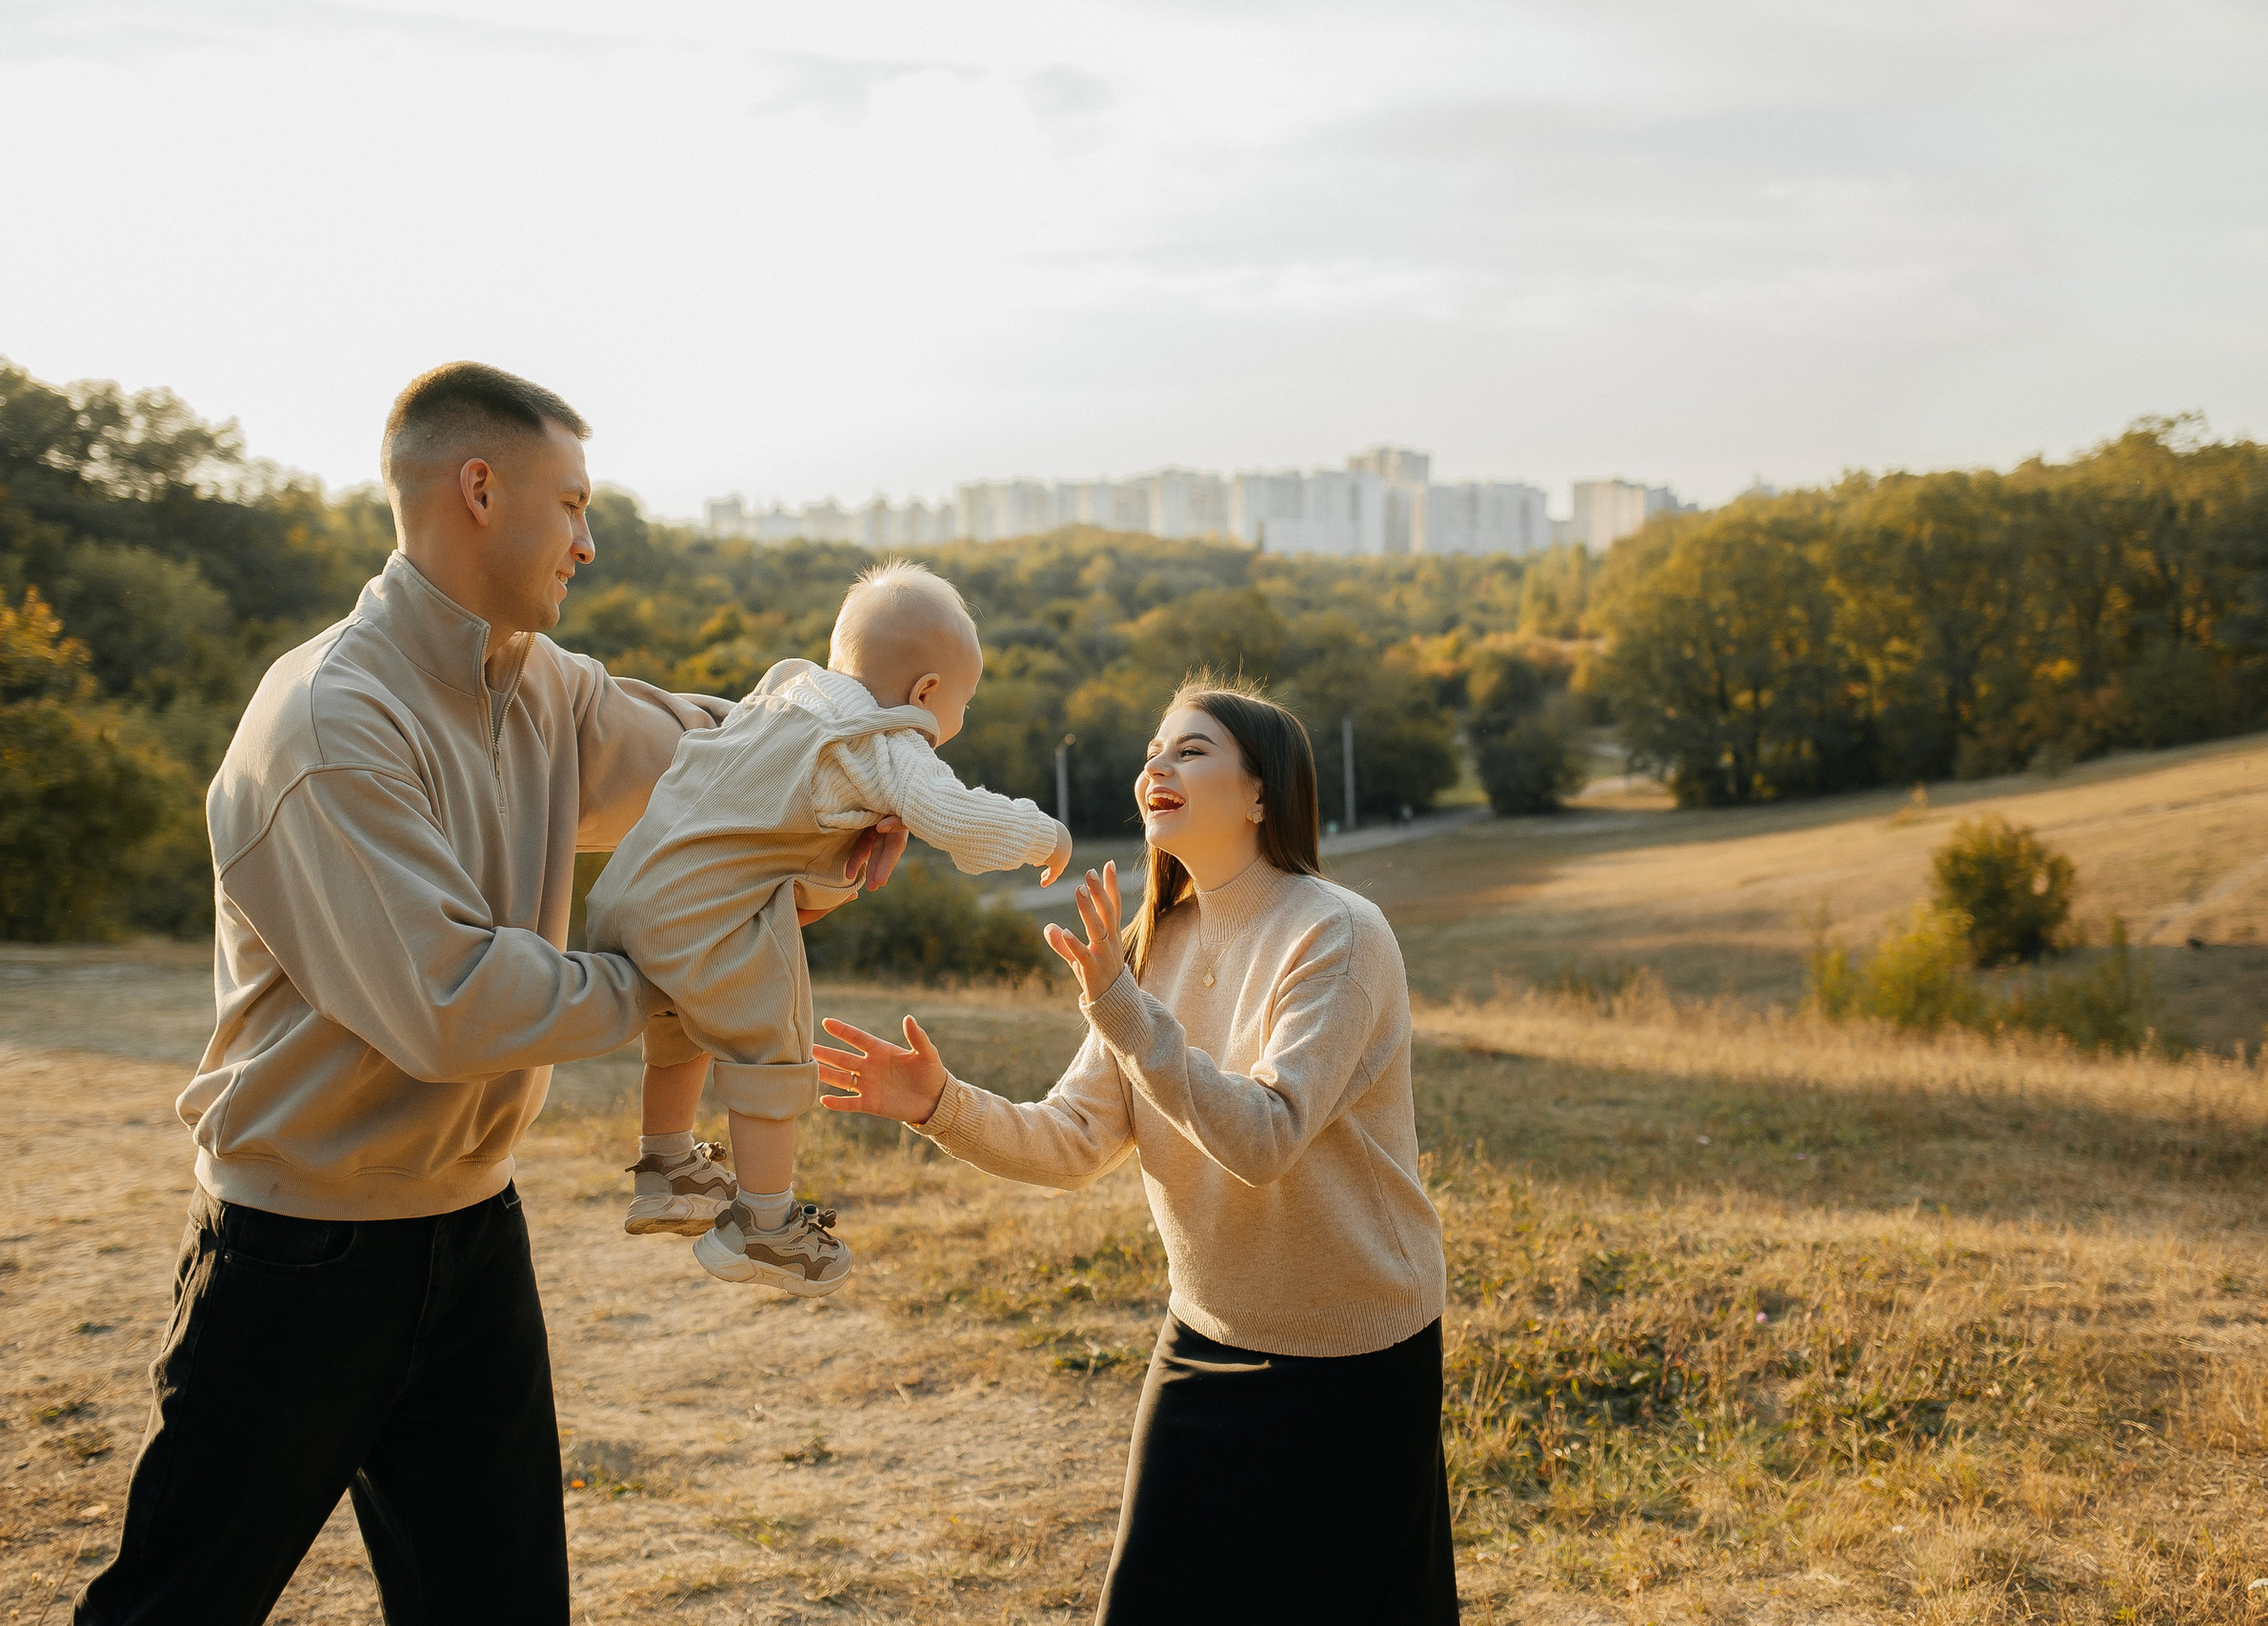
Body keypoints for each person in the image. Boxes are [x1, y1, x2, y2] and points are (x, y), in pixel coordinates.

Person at [74, 362, 907, 1626]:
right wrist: (687, 975)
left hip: (472, 1228)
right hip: (304, 1252)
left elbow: (700, 761)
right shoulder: (330, 720)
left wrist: (847, 785)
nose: (590, 537)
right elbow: (452, 999)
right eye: (573, 502)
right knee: (177, 1605)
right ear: (480, 488)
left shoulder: (540, 682)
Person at [814, 677, 1459, 1625]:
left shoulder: (1338, 935)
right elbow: (1073, 1140)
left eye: (1191, 751)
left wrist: (1121, 1006)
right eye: (1154, 750)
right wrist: (940, 1104)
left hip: (1351, 1358)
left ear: (1259, 793)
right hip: (1207, 1336)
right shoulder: (1154, 945)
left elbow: (1266, 1137)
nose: (1156, 765)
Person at [589, 558, 1073, 1297]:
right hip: (703, 914)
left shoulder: (788, 686)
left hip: (628, 889)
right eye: (964, 705)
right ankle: (765, 1223)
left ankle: (667, 1168)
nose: (958, 723)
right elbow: (960, 819)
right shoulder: (886, 740)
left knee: (687, 1015)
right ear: (927, 693)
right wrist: (1043, 836)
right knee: (771, 1034)